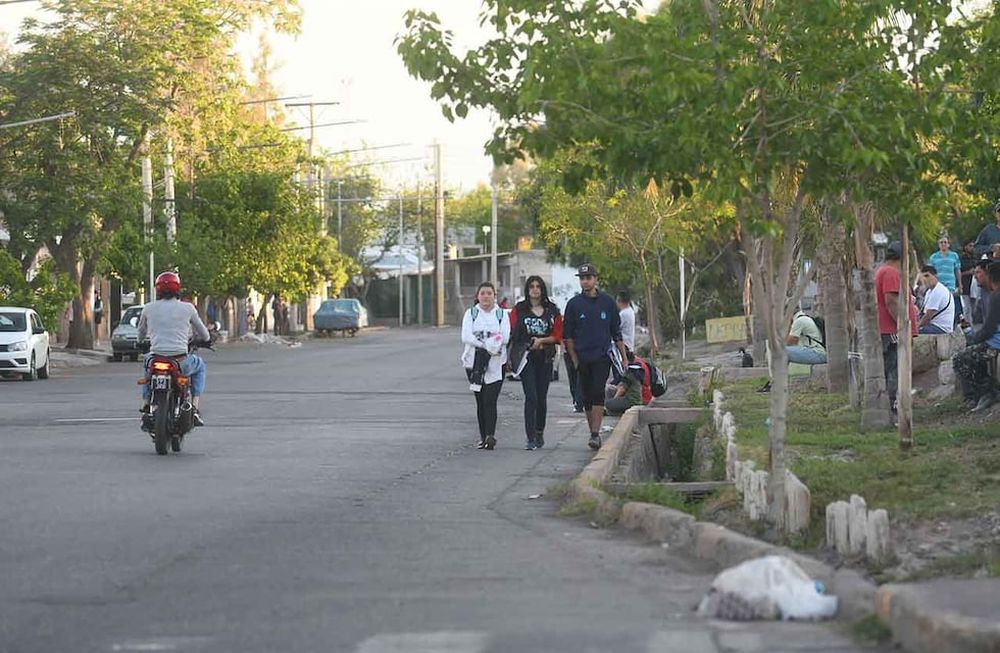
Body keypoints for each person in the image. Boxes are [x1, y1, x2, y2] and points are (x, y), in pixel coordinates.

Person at [563, 263, 628, 451]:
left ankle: (595, 434)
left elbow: (616, 332)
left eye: (588, 278)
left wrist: (624, 358)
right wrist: (574, 359)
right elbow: (568, 335)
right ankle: (593, 430)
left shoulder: (607, 303)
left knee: (598, 392)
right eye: (582, 278)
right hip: (582, 357)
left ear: (595, 279)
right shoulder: (574, 304)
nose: (585, 281)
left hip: (602, 356)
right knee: (587, 397)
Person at [137, 271, 211, 430]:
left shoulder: (148, 308)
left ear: (157, 289)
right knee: (200, 366)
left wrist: (140, 342)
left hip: (156, 359)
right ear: (178, 288)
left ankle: (146, 405)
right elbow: (204, 334)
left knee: (147, 368)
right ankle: (195, 407)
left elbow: (141, 333)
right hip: (180, 361)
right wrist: (206, 341)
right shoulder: (188, 308)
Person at [508, 276, 563, 450]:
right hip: (526, 358)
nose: (535, 289)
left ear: (542, 289)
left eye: (538, 286)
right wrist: (509, 357)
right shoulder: (519, 309)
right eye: (531, 286)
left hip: (545, 358)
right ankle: (530, 437)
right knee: (530, 397)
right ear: (527, 289)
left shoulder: (552, 311)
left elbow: (558, 335)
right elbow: (511, 332)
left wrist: (542, 340)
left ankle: (539, 432)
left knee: (541, 398)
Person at [461, 281, 511, 450]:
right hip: (474, 363)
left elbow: (504, 337)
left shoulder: (502, 314)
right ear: (478, 296)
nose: (486, 296)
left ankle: (490, 435)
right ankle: (483, 437)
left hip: (496, 362)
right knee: (480, 400)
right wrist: (484, 345)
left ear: (494, 296)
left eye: (489, 293)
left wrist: (492, 346)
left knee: (491, 399)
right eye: (482, 293)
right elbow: (466, 336)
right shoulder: (471, 313)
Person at [874, 240, 919, 421]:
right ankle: (894, 410)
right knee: (895, 369)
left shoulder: (886, 271)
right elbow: (891, 302)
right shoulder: (891, 273)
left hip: (888, 329)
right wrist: (904, 326)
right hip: (892, 330)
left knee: (892, 369)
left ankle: (892, 407)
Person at [953, 262, 1000, 412]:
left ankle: (987, 392)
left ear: (990, 276)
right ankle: (977, 395)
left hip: (996, 342)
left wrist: (974, 338)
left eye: (978, 273)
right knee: (971, 351)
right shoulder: (988, 294)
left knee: (960, 359)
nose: (975, 277)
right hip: (993, 339)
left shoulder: (996, 296)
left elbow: (989, 328)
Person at [757, 311, 826, 393]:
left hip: (817, 354)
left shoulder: (799, 321)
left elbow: (791, 341)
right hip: (818, 352)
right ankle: (776, 382)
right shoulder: (805, 318)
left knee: (781, 352)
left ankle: (776, 383)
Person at [916, 265, 955, 334]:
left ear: (935, 276)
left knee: (913, 333)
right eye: (923, 277)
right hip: (933, 325)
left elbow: (928, 315)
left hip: (941, 328)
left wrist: (916, 327)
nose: (925, 279)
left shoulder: (938, 291)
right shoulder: (929, 291)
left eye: (927, 276)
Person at [960, 241, 977, 322]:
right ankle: (968, 325)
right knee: (967, 308)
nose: (972, 248)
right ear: (965, 247)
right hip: (965, 285)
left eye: (973, 246)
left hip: (975, 286)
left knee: (974, 307)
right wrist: (968, 272)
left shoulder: (975, 258)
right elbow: (958, 273)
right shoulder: (961, 259)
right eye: (970, 246)